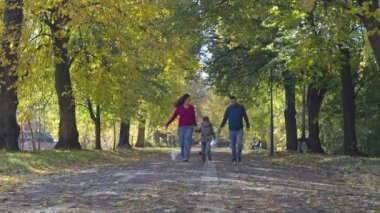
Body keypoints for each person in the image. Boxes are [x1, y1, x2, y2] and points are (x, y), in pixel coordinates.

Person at [165, 94, 197, 162]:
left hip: (190, 126)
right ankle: (183, 155)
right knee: (181, 142)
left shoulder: (191, 107)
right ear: (184, 99)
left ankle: (186, 157)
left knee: (187, 140)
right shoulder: (179, 108)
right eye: (188, 99)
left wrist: (195, 125)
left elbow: (194, 117)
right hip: (181, 127)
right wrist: (167, 124)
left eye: (189, 99)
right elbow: (173, 117)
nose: (189, 100)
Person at [219, 96, 250, 163]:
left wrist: (248, 125)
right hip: (231, 129)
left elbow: (245, 117)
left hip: (239, 129)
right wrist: (221, 126)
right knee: (232, 144)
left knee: (239, 143)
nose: (232, 103)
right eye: (231, 101)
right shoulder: (228, 109)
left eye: (233, 101)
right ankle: (234, 157)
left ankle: (239, 156)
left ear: (236, 101)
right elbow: (225, 118)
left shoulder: (241, 108)